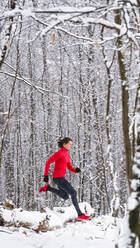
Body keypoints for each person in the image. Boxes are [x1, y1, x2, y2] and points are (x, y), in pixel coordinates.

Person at [38, 137, 90, 220]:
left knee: (65, 196)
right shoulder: (59, 153)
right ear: (64, 144)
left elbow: (69, 166)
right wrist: (45, 175)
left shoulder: (67, 155)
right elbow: (48, 162)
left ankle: (48, 188)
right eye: (69, 144)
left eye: (71, 144)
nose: (70, 146)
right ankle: (80, 214)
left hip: (60, 178)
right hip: (58, 178)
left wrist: (75, 170)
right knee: (73, 193)